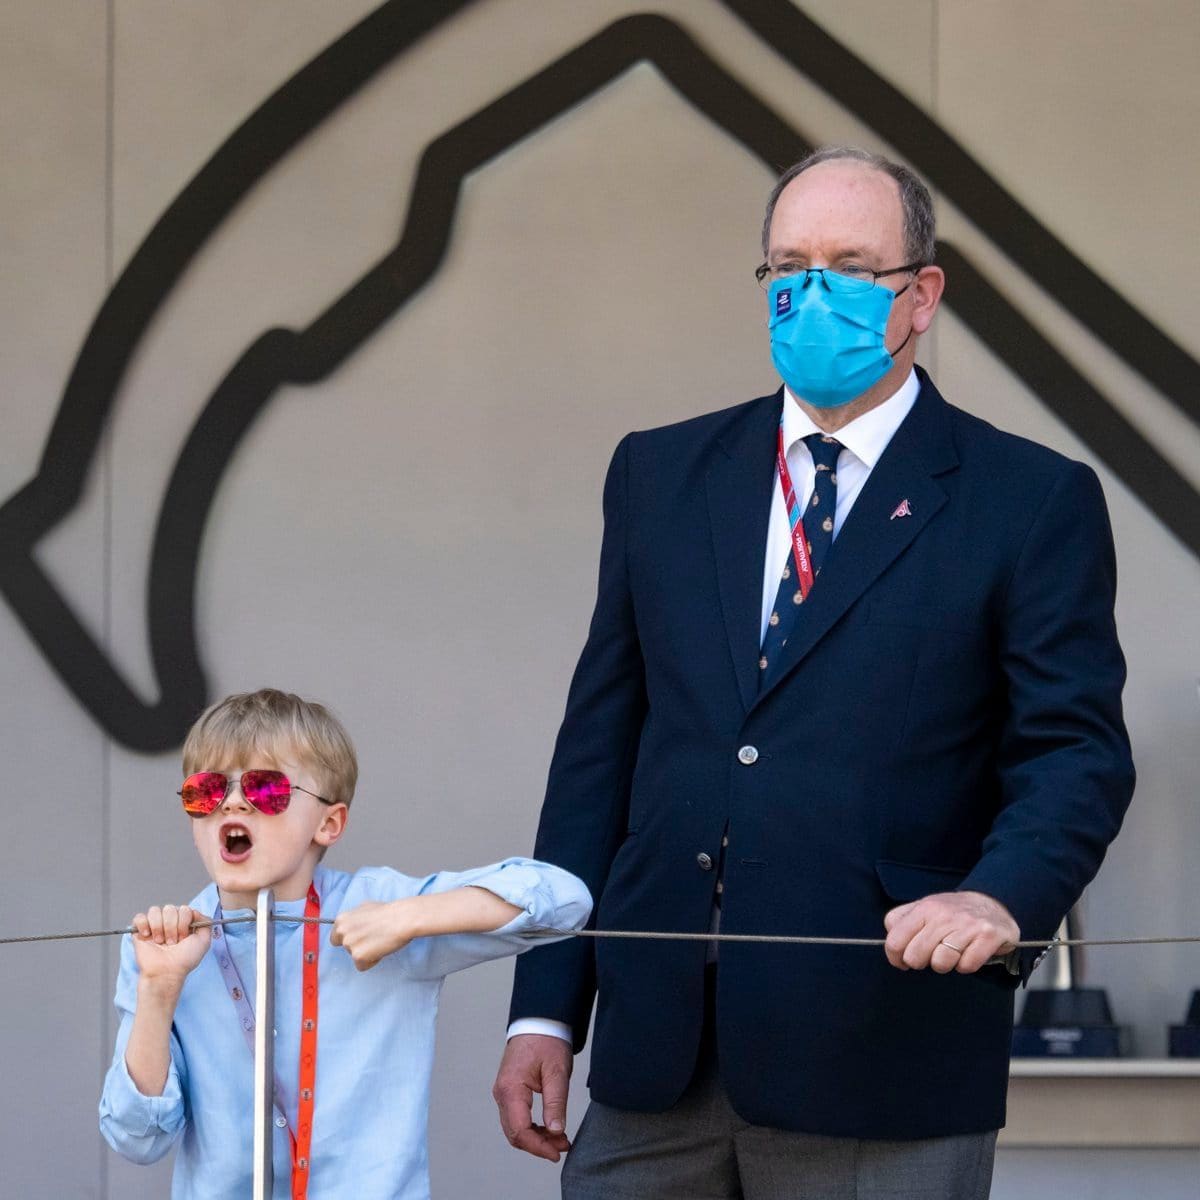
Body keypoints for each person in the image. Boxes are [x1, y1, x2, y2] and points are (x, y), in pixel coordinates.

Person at [493, 146, 1135, 1199]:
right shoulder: (659, 474)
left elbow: (1074, 755)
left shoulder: (1028, 499)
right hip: (654, 1065)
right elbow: (599, 755)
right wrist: (546, 1006)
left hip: (883, 1057)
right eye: (787, 265)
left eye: (848, 265)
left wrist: (999, 898)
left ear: (921, 295)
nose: (810, 291)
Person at [99, 687, 591, 1199]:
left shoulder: (378, 906)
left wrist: (411, 918)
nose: (234, 802)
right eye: (207, 790)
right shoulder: (166, 944)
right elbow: (138, 1139)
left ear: (329, 823)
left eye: (267, 789)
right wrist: (158, 989)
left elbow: (566, 899)